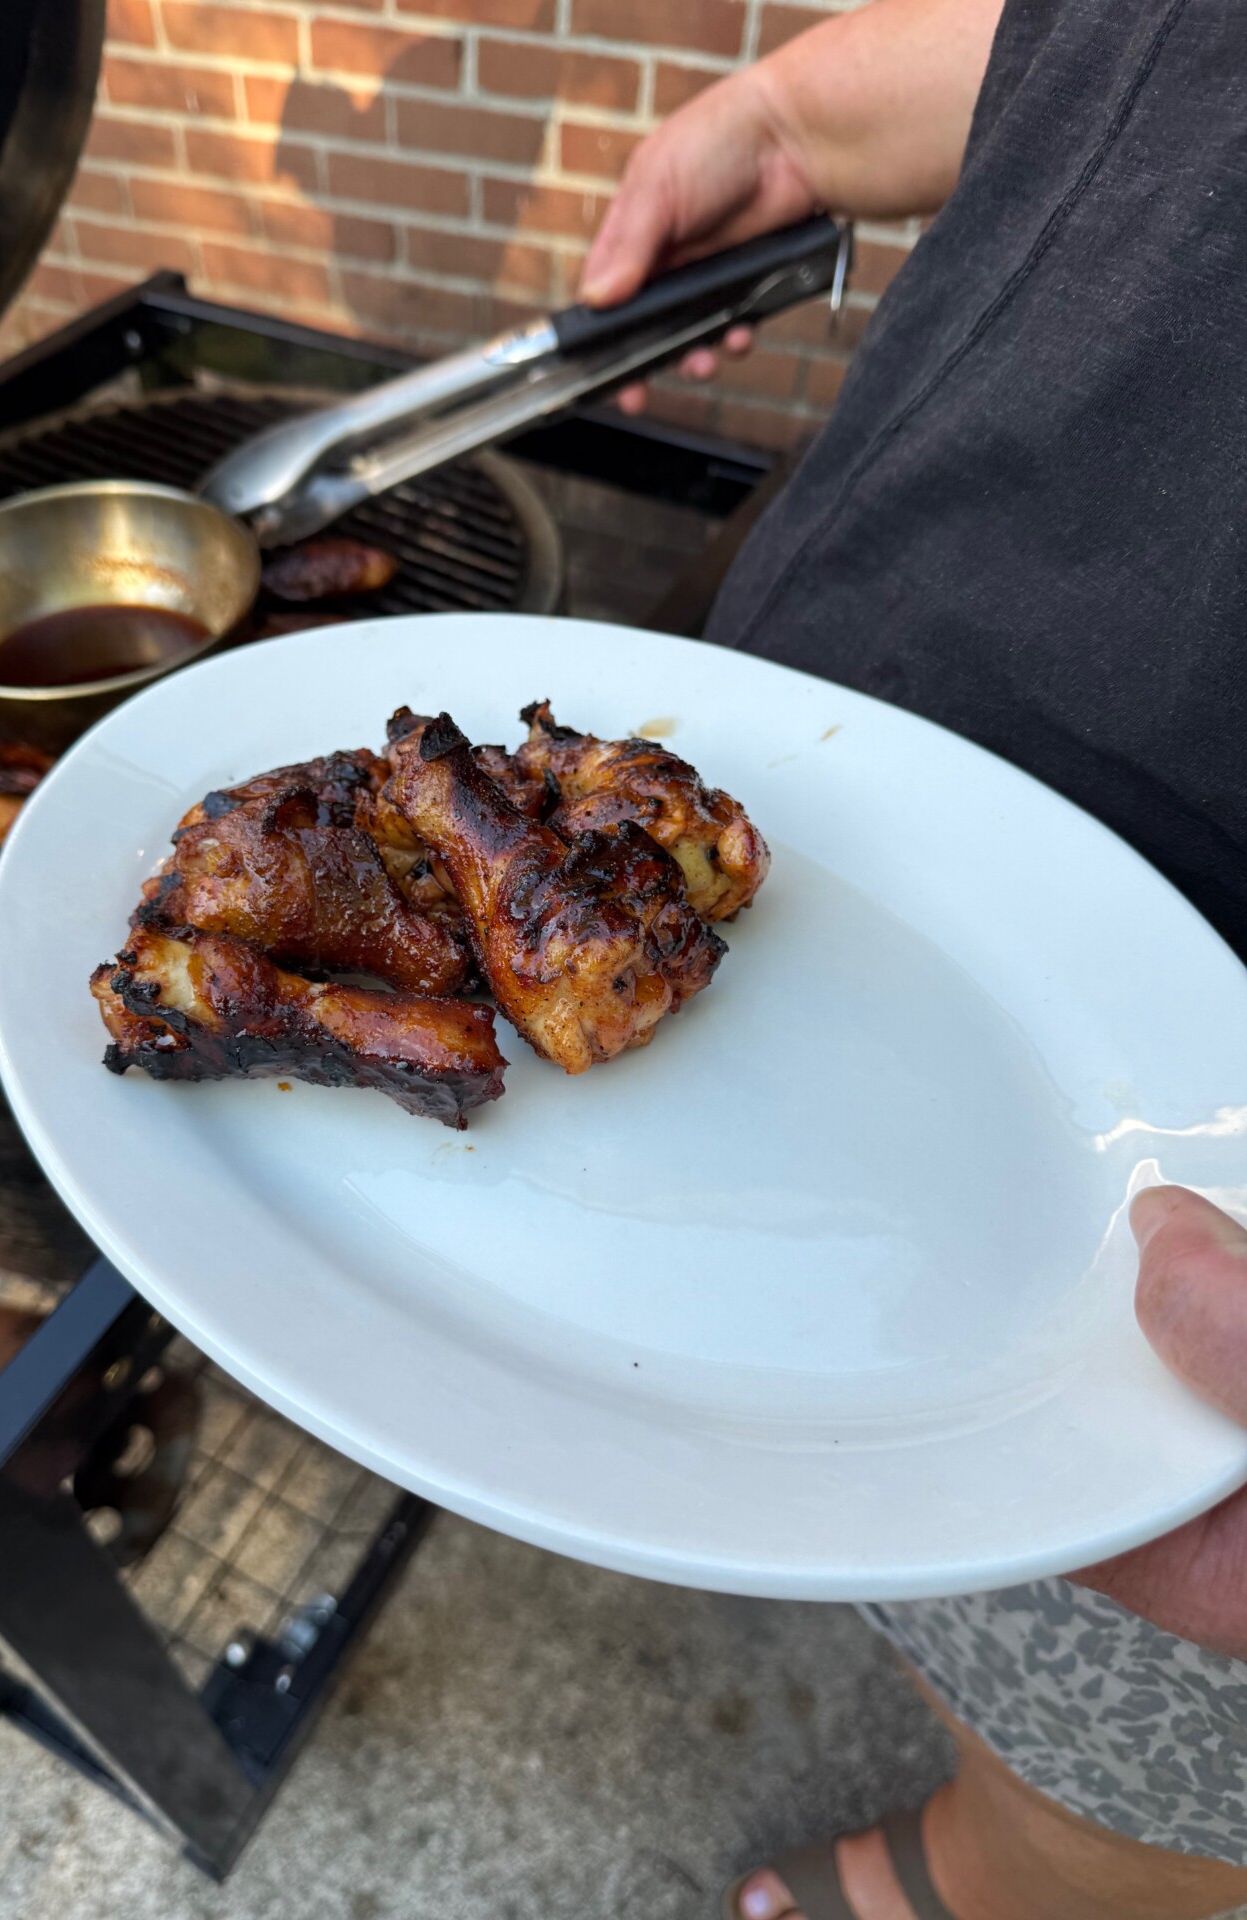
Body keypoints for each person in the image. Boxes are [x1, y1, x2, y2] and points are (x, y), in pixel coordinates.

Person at [578, 1, 1247, 1915]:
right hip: (850, 909)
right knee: (900, 1540)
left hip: (1181, 1158)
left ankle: (971, 1882)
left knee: (1117, 1757)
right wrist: (788, 114)